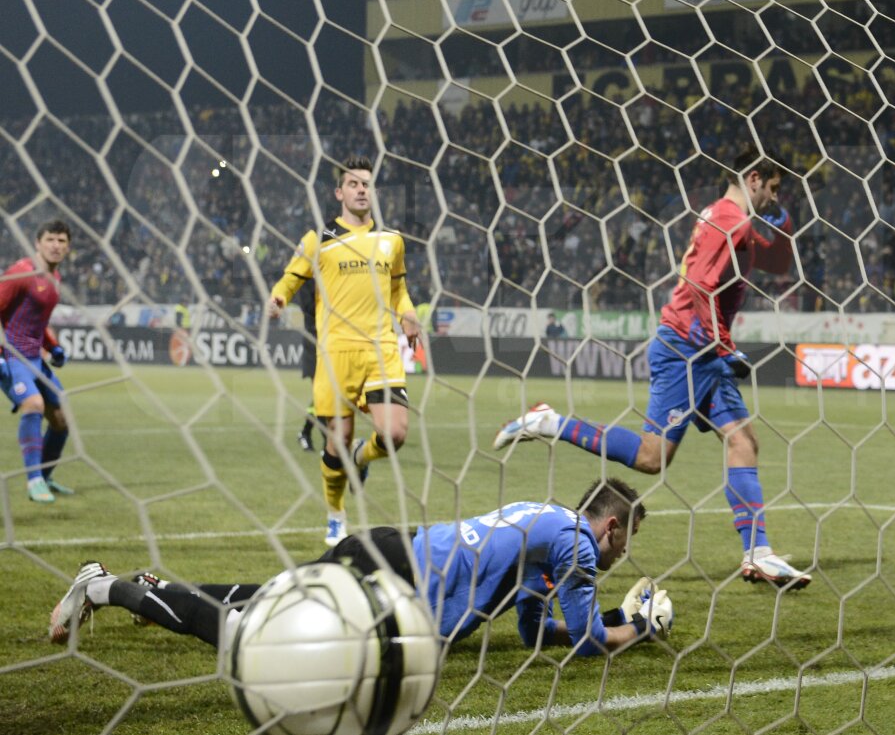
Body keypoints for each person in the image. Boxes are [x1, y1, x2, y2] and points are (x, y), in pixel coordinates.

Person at [495, 148, 811, 588]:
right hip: (687, 348)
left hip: (702, 352)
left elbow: (778, 261)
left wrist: (782, 217)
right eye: (773, 188)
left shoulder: (725, 216)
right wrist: (723, 343)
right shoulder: (730, 219)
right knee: (651, 457)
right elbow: (700, 284)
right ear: (754, 177)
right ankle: (550, 423)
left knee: (743, 442)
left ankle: (758, 553)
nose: (773, 197)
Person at [48, 478, 673, 655]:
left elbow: (536, 632)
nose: (624, 555)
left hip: (391, 559)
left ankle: (151, 587)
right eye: (628, 540)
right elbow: (590, 639)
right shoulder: (577, 544)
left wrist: (615, 614)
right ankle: (103, 587)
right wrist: (636, 627)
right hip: (392, 577)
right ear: (611, 526)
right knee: (253, 638)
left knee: (264, 603)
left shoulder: (549, 536)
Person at [267, 156, 420, 546]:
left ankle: (362, 459)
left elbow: (399, 288)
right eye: (354, 184)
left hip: (381, 349)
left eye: (367, 184)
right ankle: (336, 514)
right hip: (335, 354)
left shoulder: (391, 241)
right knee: (336, 442)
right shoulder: (318, 240)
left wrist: (408, 314)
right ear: (340, 193)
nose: (361, 190)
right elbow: (290, 278)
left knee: (396, 432)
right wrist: (278, 299)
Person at [0, 220, 73, 504]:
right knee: (34, 405)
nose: (56, 245)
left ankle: (46, 476)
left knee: (61, 421)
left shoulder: (55, 279)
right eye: (50, 239)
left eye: (61, 241)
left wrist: (53, 347)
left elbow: (36, 323)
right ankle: (33, 482)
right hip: (11, 356)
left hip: (34, 359)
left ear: (68, 247)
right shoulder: (22, 272)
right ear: (37, 243)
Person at [293, 278, 317, 452]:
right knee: (322, 394)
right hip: (314, 342)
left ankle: (305, 432)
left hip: (335, 343)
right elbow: (309, 308)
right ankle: (327, 445)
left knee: (328, 396)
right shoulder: (308, 279)